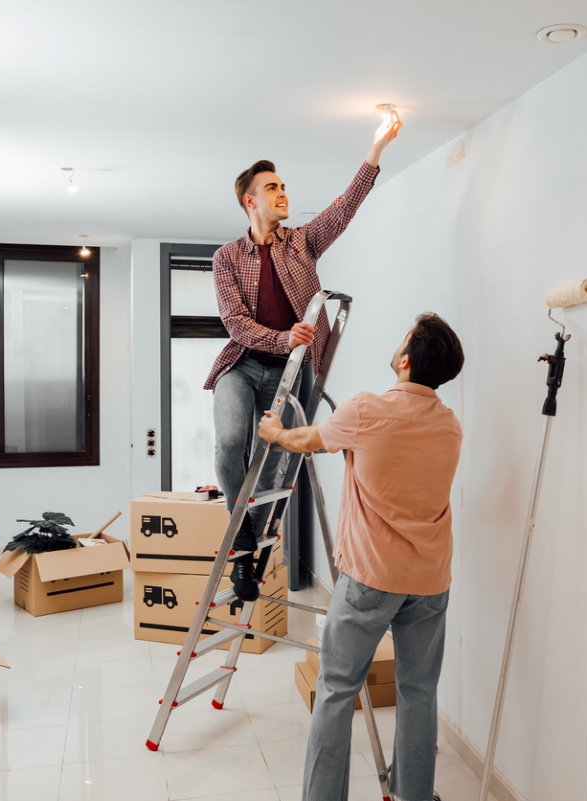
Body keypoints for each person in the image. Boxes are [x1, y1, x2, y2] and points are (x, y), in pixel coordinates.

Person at [258, 313, 465, 801]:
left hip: (372, 578)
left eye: (403, 340)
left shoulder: (367, 410)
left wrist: (274, 434)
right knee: (419, 693)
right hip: (431, 581)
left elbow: (306, 441)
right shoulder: (449, 426)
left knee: (336, 688)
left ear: (407, 359)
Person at [207, 111, 403, 601]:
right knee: (232, 441)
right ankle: (243, 533)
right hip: (243, 364)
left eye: (284, 186)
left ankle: (246, 557)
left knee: (275, 463)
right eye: (272, 187)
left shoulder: (303, 244)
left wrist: (375, 151)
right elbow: (235, 323)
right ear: (250, 201)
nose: (282, 193)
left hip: (293, 374)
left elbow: (346, 206)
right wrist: (282, 339)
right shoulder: (226, 258)